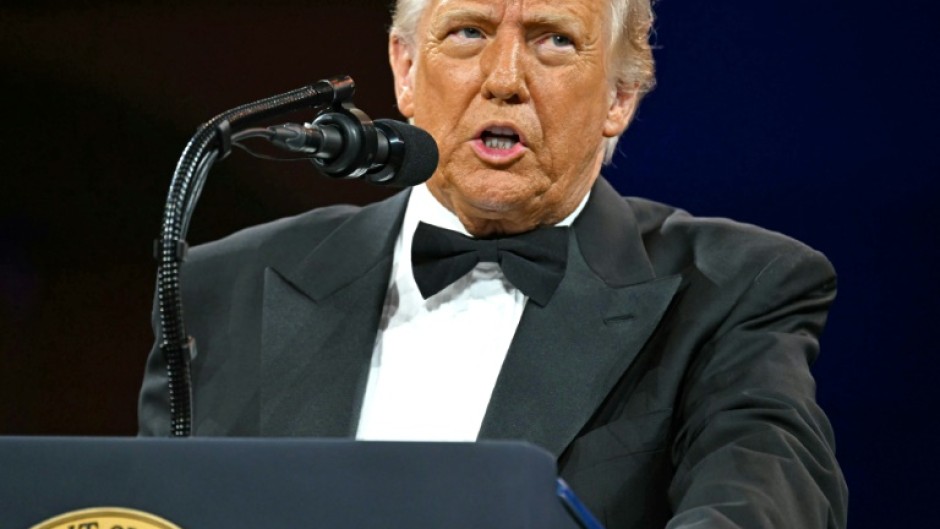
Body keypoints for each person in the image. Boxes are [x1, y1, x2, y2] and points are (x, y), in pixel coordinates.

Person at [139, 0, 848, 527]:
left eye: (554, 41)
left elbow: (762, 503)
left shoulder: (731, 291)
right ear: (406, 69)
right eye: (469, 32)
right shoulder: (222, 286)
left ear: (621, 96)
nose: (504, 79)